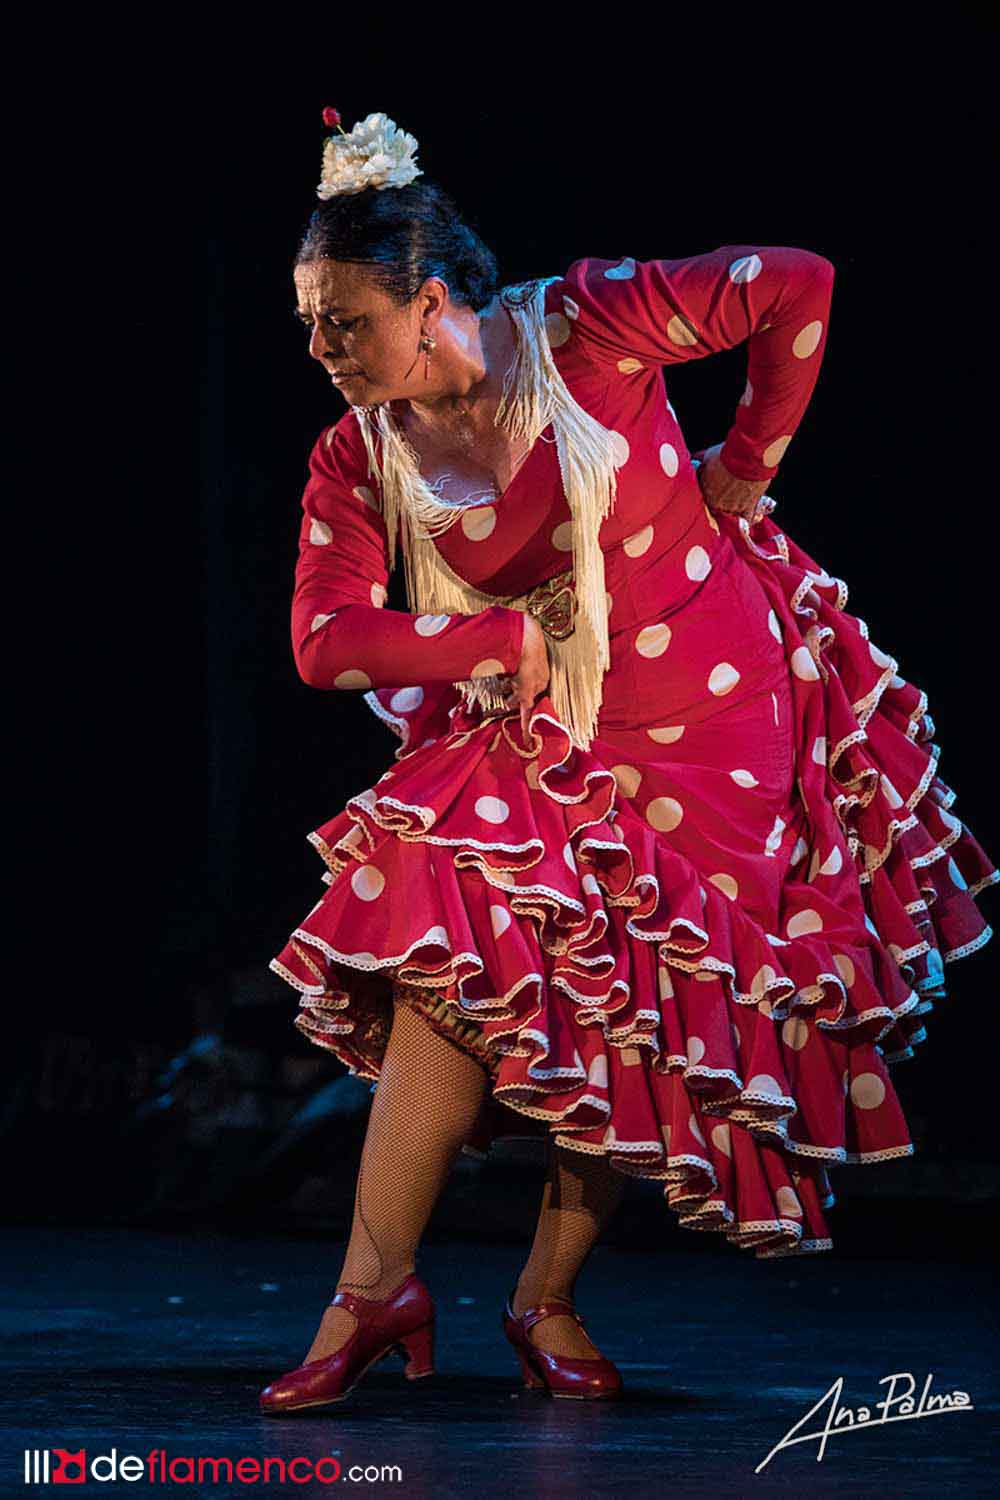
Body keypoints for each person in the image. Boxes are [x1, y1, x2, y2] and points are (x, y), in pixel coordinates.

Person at [259, 110, 997, 1414]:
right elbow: (325, 641)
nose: (320, 347)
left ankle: (545, 1295)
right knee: (447, 950)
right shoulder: (357, 453)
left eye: (344, 321)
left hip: (718, 714)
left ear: (429, 302)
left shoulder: (586, 327)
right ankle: (372, 1292)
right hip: (552, 724)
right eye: (310, 321)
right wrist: (489, 638)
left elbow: (796, 284)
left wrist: (745, 470)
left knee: (636, 1008)